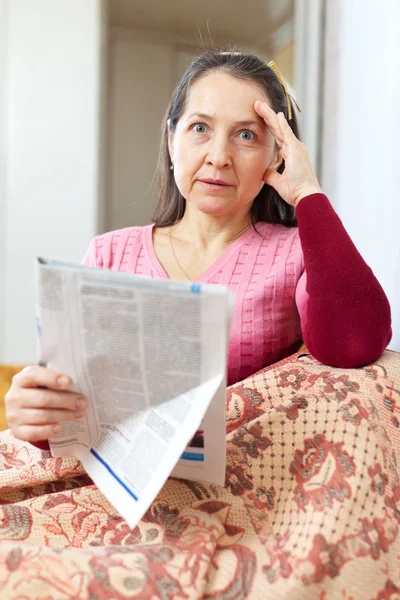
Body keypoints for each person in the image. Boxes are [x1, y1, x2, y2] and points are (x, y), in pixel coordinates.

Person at [5, 50, 392, 448]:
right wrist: (36, 416)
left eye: (246, 135)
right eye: (200, 128)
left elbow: (354, 344)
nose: (219, 157)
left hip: (245, 488)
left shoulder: (296, 255)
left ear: (275, 155)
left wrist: (307, 192)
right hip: (113, 485)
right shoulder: (108, 254)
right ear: (172, 139)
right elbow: (68, 408)